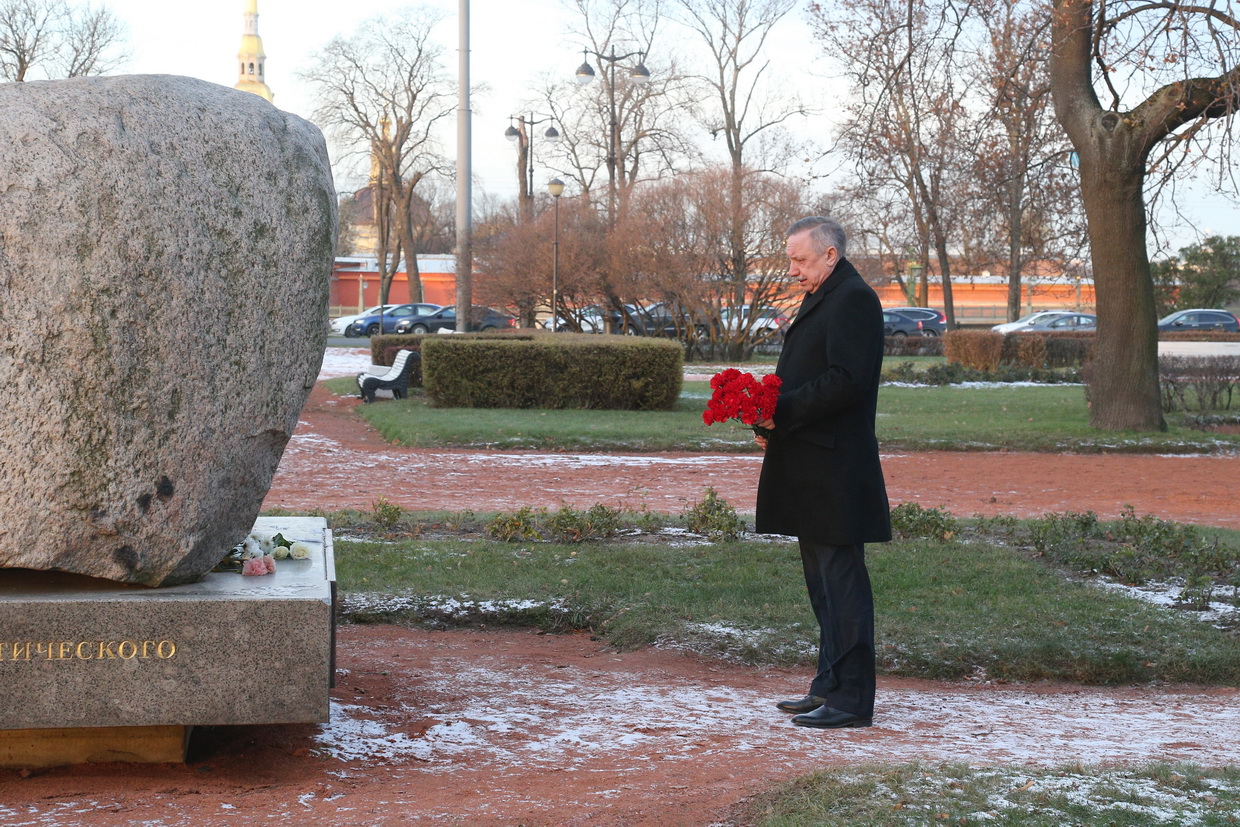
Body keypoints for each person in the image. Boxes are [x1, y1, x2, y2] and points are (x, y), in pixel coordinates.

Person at [753, 216, 891, 729]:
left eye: (800, 260)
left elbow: (846, 381)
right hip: (812, 461)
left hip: (835, 466)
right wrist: (769, 414)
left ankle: (852, 700)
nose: (792, 270)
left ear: (830, 255)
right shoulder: (827, 294)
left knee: (842, 583)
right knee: (823, 585)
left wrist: (780, 410)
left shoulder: (853, 298)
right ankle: (828, 685)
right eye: (791, 260)